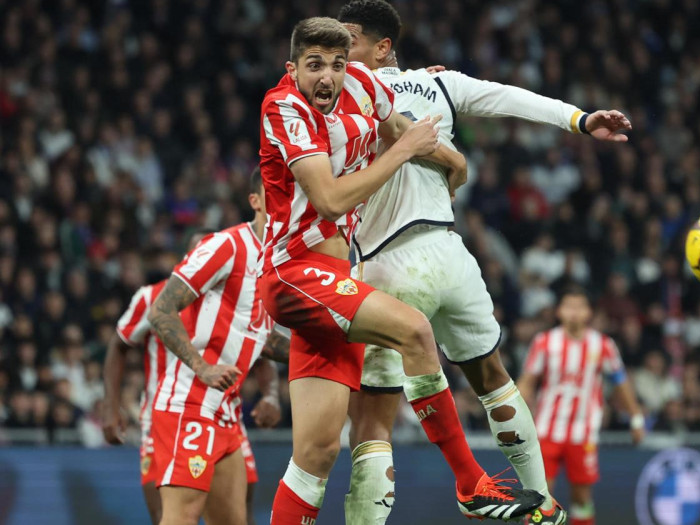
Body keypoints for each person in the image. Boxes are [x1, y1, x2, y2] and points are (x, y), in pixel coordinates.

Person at [335, 2, 632, 523]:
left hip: (386, 262)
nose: (339, 51)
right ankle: (541, 501)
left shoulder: (341, 87)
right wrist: (580, 119)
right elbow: (510, 99)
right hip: (451, 255)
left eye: (349, 40)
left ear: (381, 47)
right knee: (493, 376)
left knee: (373, 419)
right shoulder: (441, 85)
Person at [257, 17, 542, 523]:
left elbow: (399, 127)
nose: (327, 77)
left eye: (337, 65)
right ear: (292, 67)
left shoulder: (364, 84)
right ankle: (471, 483)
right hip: (293, 275)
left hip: (333, 285)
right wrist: (405, 154)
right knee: (414, 330)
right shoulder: (283, 107)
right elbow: (328, 200)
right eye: (314, 65)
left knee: (316, 456)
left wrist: (452, 160)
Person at [103, 209, 287, 525]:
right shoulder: (153, 298)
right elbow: (119, 346)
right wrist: (111, 407)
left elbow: (261, 347)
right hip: (175, 408)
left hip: (226, 411)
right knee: (168, 513)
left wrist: (271, 394)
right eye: (200, 253)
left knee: (239, 512)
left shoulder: (240, 298)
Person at [145, 169, 286, 525]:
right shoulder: (228, 245)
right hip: (188, 402)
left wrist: (337, 346)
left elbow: (261, 337)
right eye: (276, 189)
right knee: (181, 517)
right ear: (254, 201)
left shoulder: (280, 261)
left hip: (227, 411)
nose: (287, 195)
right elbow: (160, 309)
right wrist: (202, 367)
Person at [516, 287, 644, 525]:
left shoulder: (603, 345)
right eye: (569, 307)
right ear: (559, 312)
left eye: (579, 307)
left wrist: (636, 416)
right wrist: (515, 415)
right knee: (541, 494)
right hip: (547, 429)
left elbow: (620, 381)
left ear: (588, 312)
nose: (574, 312)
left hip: (583, 432)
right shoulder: (544, 342)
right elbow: (528, 381)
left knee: (582, 497)